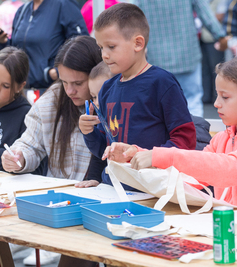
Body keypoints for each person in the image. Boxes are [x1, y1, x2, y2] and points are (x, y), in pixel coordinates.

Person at [104, 55, 237, 214]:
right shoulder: (222, 138)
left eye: (225, 97)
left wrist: (161, 155)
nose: (216, 103)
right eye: (217, 95)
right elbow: (190, 175)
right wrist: (137, 155)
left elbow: (229, 169)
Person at [1, 35, 101, 267]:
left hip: (97, 210)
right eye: (65, 82)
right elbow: (30, 144)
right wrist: (18, 157)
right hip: (59, 209)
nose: (70, 90)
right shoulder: (53, 99)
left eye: (78, 83)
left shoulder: (109, 100)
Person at [80, 3, 196, 191]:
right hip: (114, 187)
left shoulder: (162, 83)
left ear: (138, 43)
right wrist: (89, 132)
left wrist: (151, 157)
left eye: (111, 46)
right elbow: (104, 149)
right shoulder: (107, 88)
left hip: (153, 191)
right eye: (101, 47)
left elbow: (186, 141)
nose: (104, 55)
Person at [135, 0, 228, 117]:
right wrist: (220, 36)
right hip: (187, 54)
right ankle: (196, 134)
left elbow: (134, 17)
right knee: (192, 103)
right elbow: (206, 14)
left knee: (161, 105)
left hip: (157, 58)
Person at [0, 0, 89, 100]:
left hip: (52, 90)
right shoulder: (23, 10)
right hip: (22, 91)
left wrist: (56, 72)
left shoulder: (63, 5)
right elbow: (17, 50)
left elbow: (81, 44)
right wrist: (3, 42)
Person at [76, 61, 114, 188]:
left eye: (103, 95)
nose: (97, 103)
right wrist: (94, 179)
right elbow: (100, 154)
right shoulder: (102, 118)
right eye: (93, 97)